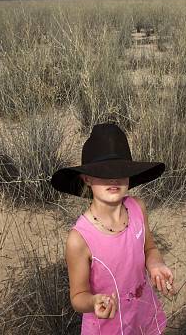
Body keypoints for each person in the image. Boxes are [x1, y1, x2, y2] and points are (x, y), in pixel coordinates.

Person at [51, 122, 176, 334]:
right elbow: (78, 296)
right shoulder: (80, 238)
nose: (114, 178)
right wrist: (93, 302)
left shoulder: (137, 208)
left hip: (143, 314)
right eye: (103, 172)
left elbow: (149, 249)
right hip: (107, 327)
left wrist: (156, 265)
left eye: (120, 170)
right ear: (87, 178)